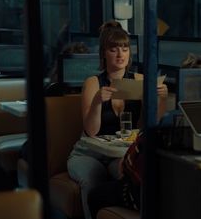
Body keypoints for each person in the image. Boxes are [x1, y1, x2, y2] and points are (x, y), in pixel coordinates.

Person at [67, 20, 168, 219]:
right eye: (114, 49)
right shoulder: (93, 82)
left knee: (131, 176)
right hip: (89, 153)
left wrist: (161, 100)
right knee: (92, 176)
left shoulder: (139, 80)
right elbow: (91, 131)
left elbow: (150, 126)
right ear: (104, 53)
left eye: (124, 48)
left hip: (119, 152)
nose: (121, 54)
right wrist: (97, 102)